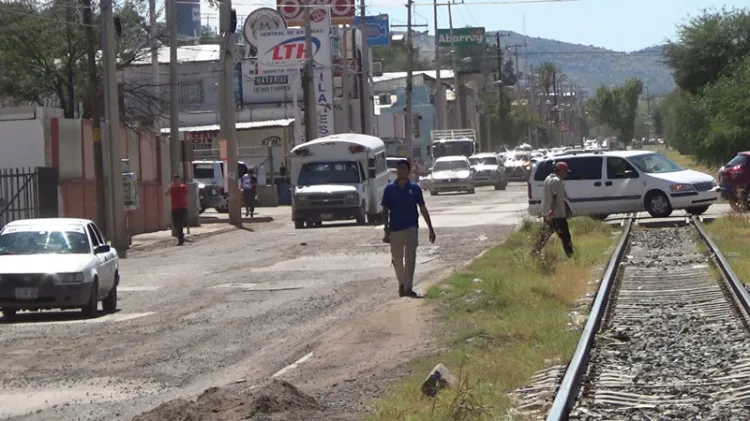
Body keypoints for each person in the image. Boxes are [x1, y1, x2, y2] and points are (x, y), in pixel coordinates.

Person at [381, 159, 436, 298]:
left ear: (409, 171)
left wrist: (430, 228)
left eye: (403, 169)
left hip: (411, 227)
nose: (400, 171)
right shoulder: (389, 189)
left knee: (410, 257)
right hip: (395, 228)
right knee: (397, 258)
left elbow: (422, 208)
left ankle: (408, 288)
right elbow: (385, 210)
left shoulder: (415, 188)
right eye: (398, 169)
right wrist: (386, 229)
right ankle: (402, 284)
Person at [533, 161, 574, 257]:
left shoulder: (548, 179)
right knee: (565, 237)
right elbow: (554, 196)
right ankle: (570, 255)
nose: (566, 174)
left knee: (544, 237)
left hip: (548, 214)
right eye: (565, 171)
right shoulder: (557, 181)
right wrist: (552, 210)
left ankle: (534, 253)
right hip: (557, 215)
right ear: (560, 171)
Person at [165, 174, 188, 245]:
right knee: (175, 223)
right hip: (174, 208)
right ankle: (181, 236)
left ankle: (180, 239)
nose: (175, 181)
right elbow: (166, 194)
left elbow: (185, 194)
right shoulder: (172, 188)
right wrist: (169, 188)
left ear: (179, 180)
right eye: (174, 180)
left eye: (177, 180)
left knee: (180, 223)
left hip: (182, 208)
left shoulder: (183, 187)